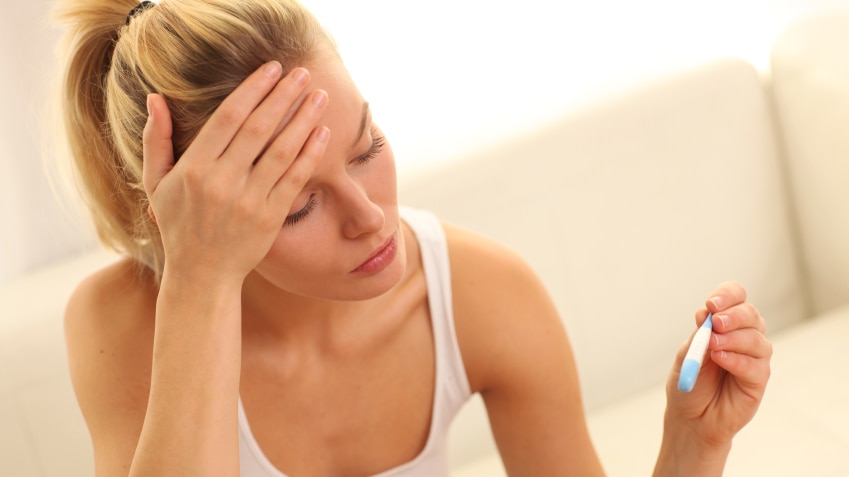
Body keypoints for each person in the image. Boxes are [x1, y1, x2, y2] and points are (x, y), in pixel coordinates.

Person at [54, 0, 773, 476]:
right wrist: (200, 281)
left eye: (367, 148)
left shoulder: (479, 293)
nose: (370, 215)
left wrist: (693, 443)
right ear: (195, 214)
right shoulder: (122, 324)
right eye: (298, 206)